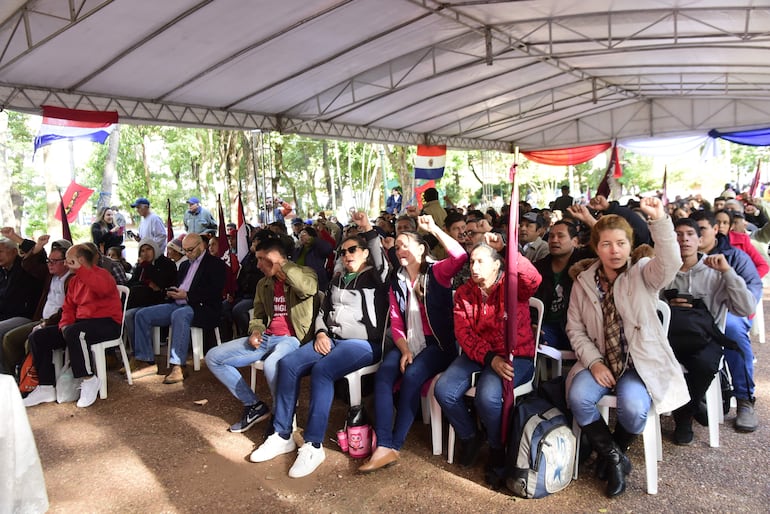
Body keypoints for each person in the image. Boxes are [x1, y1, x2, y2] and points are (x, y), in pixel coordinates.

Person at [250, 212, 390, 478]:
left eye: (353, 249)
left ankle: (313, 445)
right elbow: (322, 312)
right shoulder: (337, 279)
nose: (347, 254)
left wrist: (368, 229)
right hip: (332, 339)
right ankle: (282, 434)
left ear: (365, 252)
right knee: (288, 364)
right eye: (343, 251)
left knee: (322, 371)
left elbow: (382, 261)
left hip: (364, 344)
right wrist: (322, 333)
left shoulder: (377, 278)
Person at [566, 198, 688, 498]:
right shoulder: (583, 281)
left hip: (638, 363)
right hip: (600, 360)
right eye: (606, 244)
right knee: (578, 397)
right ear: (596, 247)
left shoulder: (642, 272)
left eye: (621, 243)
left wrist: (660, 221)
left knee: (634, 410)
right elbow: (575, 329)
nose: (614, 250)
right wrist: (594, 362)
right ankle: (614, 459)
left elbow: (670, 262)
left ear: (629, 245)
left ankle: (615, 453)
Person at [360, 215, 466, 473]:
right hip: (408, 343)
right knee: (384, 375)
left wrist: (433, 228)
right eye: (397, 246)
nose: (400, 249)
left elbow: (461, 257)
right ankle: (384, 444)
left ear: (421, 248)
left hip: (437, 345)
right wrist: (405, 350)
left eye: (406, 244)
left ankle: (394, 445)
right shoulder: (397, 280)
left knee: (412, 376)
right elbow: (396, 321)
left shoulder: (436, 273)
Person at [434, 242, 541, 485]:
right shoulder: (464, 293)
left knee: (488, 396)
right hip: (481, 355)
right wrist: (489, 358)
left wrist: (509, 249)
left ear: (497, 264)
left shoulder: (513, 287)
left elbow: (534, 280)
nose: (474, 267)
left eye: (481, 261)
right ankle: (470, 436)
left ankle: (497, 449)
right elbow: (464, 334)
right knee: (444, 390)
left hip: (516, 355)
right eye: (472, 261)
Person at [205, 238, 318, 433]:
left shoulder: (305, 273)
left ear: (275, 258)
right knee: (214, 357)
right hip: (267, 338)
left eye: (261, 259)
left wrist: (283, 264)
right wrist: (256, 330)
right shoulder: (263, 284)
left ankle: (280, 414)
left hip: (292, 339)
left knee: (272, 363)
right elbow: (257, 315)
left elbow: (308, 288)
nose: (257, 265)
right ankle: (254, 405)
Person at [664, 218, 756, 444]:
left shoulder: (715, 269)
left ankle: (684, 416)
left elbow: (746, 308)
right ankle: (691, 405)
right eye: (677, 234)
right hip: (668, 338)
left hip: (705, 339)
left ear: (699, 239)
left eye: (689, 234)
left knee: (704, 364)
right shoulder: (663, 271)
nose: (683, 239)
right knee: (650, 361)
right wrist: (668, 306)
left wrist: (727, 273)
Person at [23, 244, 123, 408]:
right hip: (79, 325)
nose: (66, 264)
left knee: (76, 332)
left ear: (81, 260)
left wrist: (82, 271)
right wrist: (64, 325)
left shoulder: (103, 275)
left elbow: (102, 289)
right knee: (39, 336)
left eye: (69, 260)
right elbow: (68, 307)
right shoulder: (75, 280)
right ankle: (46, 386)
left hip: (107, 323)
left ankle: (89, 379)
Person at [689, 211, 762, 432]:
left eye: (701, 229)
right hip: (689, 319)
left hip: (727, 313)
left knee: (732, 328)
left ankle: (744, 398)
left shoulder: (735, 257)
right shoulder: (679, 258)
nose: (695, 236)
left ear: (715, 230)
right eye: (691, 231)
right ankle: (688, 399)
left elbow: (751, 291)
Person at [131, 233, 226, 384]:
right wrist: (173, 291)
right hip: (178, 303)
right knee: (142, 314)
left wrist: (188, 295)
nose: (187, 254)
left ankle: (178, 365)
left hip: (203, 307)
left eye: (190, 250)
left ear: (201, 247)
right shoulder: (184, 265)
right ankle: (145, 360)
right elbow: (181, 285)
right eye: (185, 251)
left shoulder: (215, 264)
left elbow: (214, 292)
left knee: (180, 315)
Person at [1, 237, 71, 375]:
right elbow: (30, 263)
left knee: (31, 341)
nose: (49, 264)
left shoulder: (71, 280)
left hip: (57, 323)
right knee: (10, 339)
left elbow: (68, 310)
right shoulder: (50, 276)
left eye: (54, 261)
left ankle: (37, 380)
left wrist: (16, 237)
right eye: (49, 261)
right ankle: (15, 376)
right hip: (41, 320)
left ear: (67, 262)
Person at [534, 220, 592, 350]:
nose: (554, 240)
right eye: (551, 236)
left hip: (578, 328)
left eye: (560, 236)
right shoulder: (540, 267)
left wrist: (587, 217)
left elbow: (604, 242)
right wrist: (533, 324)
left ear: (575, 241)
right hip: (547, 328)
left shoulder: (586, 263)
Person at [0, 230, 45, 373]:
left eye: (0, 251)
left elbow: (35, 251)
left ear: (14, 252)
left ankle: (7, 376)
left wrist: (14, 237)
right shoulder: (2, 272)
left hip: (25, 316)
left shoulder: (25, 266)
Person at [293, 226, 333, 292]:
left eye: (304, 234)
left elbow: (328, 248)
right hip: (300, 281)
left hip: (315, 281)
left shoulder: (317, 248)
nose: (301, 236)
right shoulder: (298, 249)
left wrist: (314, 240)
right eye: (300, 234)